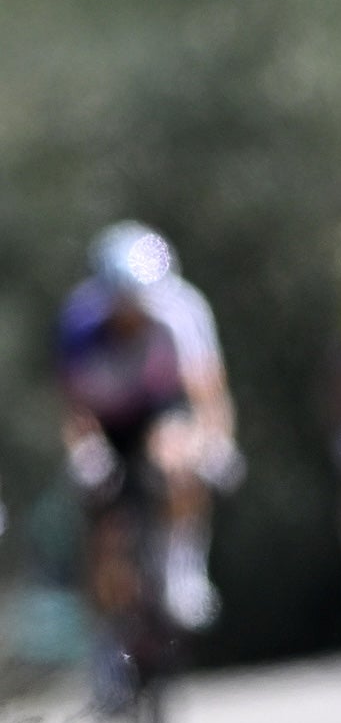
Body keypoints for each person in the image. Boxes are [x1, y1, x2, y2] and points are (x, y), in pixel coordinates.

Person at [55, 222, 242, 637]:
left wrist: (217, 443)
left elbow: (208, 392)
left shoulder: (183, 310)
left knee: (178, 457)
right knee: (104, 530)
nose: (134, 314)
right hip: (107, 425)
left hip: (161, 413)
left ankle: (182, 567)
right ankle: (107, 640)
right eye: (123, 304)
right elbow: (75, 408)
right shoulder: (79, 321)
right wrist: (85, 452)